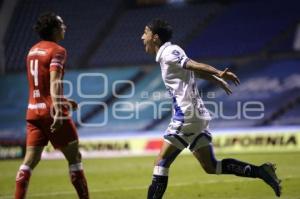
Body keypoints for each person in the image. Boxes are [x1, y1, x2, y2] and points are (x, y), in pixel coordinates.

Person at [141, 18, 281, 199]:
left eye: (145, 32)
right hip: (197, 116)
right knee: (211, 166)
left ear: (156, 38)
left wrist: (217, 72)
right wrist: (216, 79)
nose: (142, 36)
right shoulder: (168, 56)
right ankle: (261, 171)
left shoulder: (169, 52)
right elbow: (192, 70)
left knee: (161, 162)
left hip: (186, 116)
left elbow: (191, 64)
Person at [14, 12, 89, 199]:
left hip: (33, 112)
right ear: (55, 29)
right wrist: (57, 109)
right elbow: (54, 82)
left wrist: (63, 100)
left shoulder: (32, 51)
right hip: (52, 112)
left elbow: (40, 86)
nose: (65, 28)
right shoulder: (58, 50)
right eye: (62, 25)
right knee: (75, 159)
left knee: (29, 162)